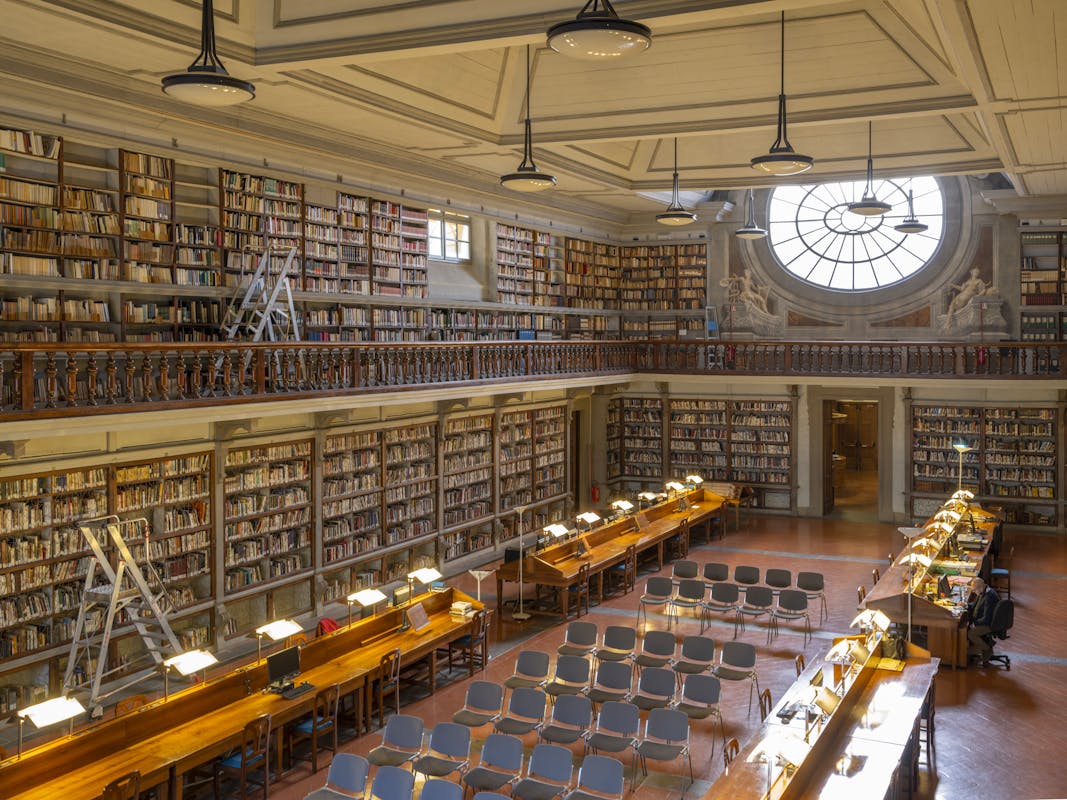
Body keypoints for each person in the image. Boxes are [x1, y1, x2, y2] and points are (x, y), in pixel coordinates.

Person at [967, 582, 1000, 664]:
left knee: (971, 633)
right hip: (983, 620)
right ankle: (982, 648)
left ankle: (987, 649)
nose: (974, 592)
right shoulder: (984, 591)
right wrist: (966, 605)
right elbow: (975, 605)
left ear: (980, 587)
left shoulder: (989, 597)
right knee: (967, 625)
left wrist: (975, 624)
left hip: (989, 624)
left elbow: (986, 619)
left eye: (974, 590)